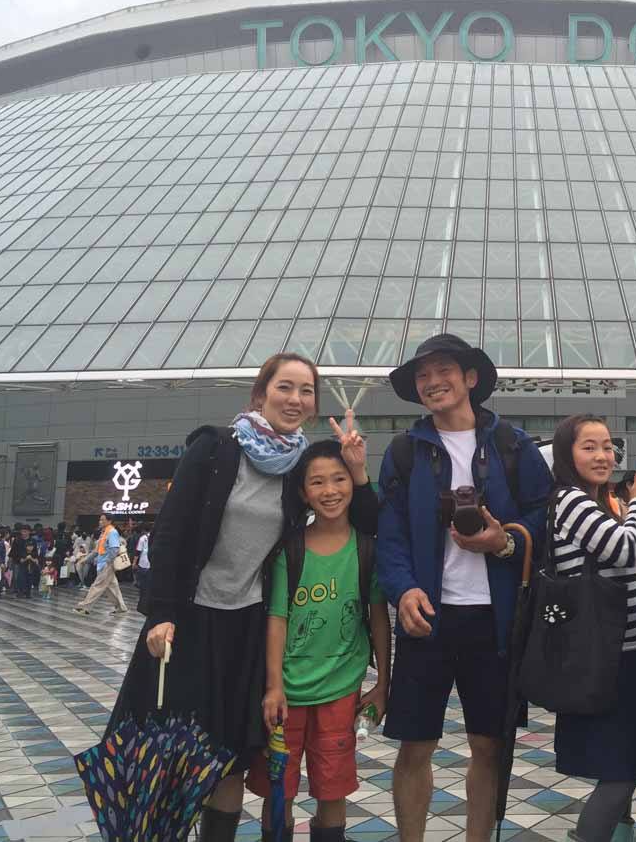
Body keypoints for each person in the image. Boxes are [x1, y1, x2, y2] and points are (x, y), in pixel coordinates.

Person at [108, 354, 377, 842]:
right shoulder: (215, 448)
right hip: (189, 622)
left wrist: (357, 472)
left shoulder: (300, 469)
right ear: (261, 393)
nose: (295, 399)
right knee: (174, 744)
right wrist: (161, 614)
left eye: (306, 391)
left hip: (249, 624)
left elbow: (364, 524)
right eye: (285, 387)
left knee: (230, 751)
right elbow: (172, 529)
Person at [376, 333, 551, 842]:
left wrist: (505, 543)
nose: (432, 382)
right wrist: (404, 590)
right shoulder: (406, 452)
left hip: (495, 620)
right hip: (428, 615)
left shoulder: (513, 446)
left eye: (443, 370)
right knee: (415, 745)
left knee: (489, 744)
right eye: (422, 376)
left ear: (471, 378)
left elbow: (544, 516)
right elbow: (392, 535)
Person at [247, 440, 392, 842]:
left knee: (333, 788)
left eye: (339, 479)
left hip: (341, 691)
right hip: (287, 695)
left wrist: (383, 684)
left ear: (353, 483)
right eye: (317, 482)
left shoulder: (367, 550)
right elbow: (276, 618)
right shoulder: (289, 551)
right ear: (302, 492)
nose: (330, 491)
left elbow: (378, 617)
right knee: (281, 789)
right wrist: (274, 687)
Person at [549, 413, 636, 842]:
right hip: (602, 658)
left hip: (628, 652)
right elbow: (624, 548)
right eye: (589, 447)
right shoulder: (569, 501)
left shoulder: (600, 502)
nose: (603, 456)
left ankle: (619, 833)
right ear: (568, 454)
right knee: (620, 769)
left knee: (632, 761)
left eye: (607, 447)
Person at [73, 514, 128, 614]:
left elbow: (114, 549)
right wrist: (85, 560)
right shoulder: (104, 533)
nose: (100, 522)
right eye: (100, 520)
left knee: (97, 586)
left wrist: (108, 562)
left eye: (102, 520)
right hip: (102, 564)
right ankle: (121, 607)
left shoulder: (112, 532)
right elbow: (96, 551)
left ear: (109, 521)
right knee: (112, 587)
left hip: (106, 565)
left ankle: (85, 607)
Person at [133, 524, 151, 611]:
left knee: (141, 582)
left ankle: (142, 599)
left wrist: (134, 562)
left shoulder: (143, 538)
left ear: (144, 530)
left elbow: (138, 551)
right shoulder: (156, 536)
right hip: (152, 563)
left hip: (143, 563)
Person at [9, 526, 29, 597]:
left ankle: (23, 590)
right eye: (23, 531)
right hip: (17, 561)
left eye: (25, 531)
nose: (24, 533)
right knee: (17, 576)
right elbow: (13, 552)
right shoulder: (17, 540)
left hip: (27, 561)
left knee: (25, 576)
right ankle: (18, 590)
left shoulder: (30, 540)